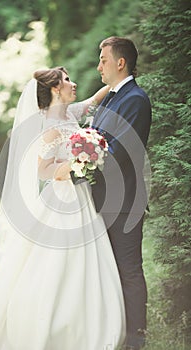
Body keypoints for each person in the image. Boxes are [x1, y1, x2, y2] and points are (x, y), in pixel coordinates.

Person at [0, 67, 126, 350]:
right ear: (54, 89)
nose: (72, 84)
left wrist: (118, 82)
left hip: (82, 196)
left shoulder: (70, 114)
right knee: (56, 262)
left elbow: (94, 100)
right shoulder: (49, 127)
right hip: (62, 199)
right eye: (66, 81)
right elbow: (43, 170)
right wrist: (77, 163)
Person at [91, 37, 152, 350]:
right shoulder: (112, 97)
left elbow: (119, 151)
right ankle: (114, 330)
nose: (99, 65)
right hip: (102, 199)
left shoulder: (135, 99)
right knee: (108, 269)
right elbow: (97, 137)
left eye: (103, 59)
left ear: (120, 62)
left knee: (128, 270)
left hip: (125, 203)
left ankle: (135, 338)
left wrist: (84, 160)